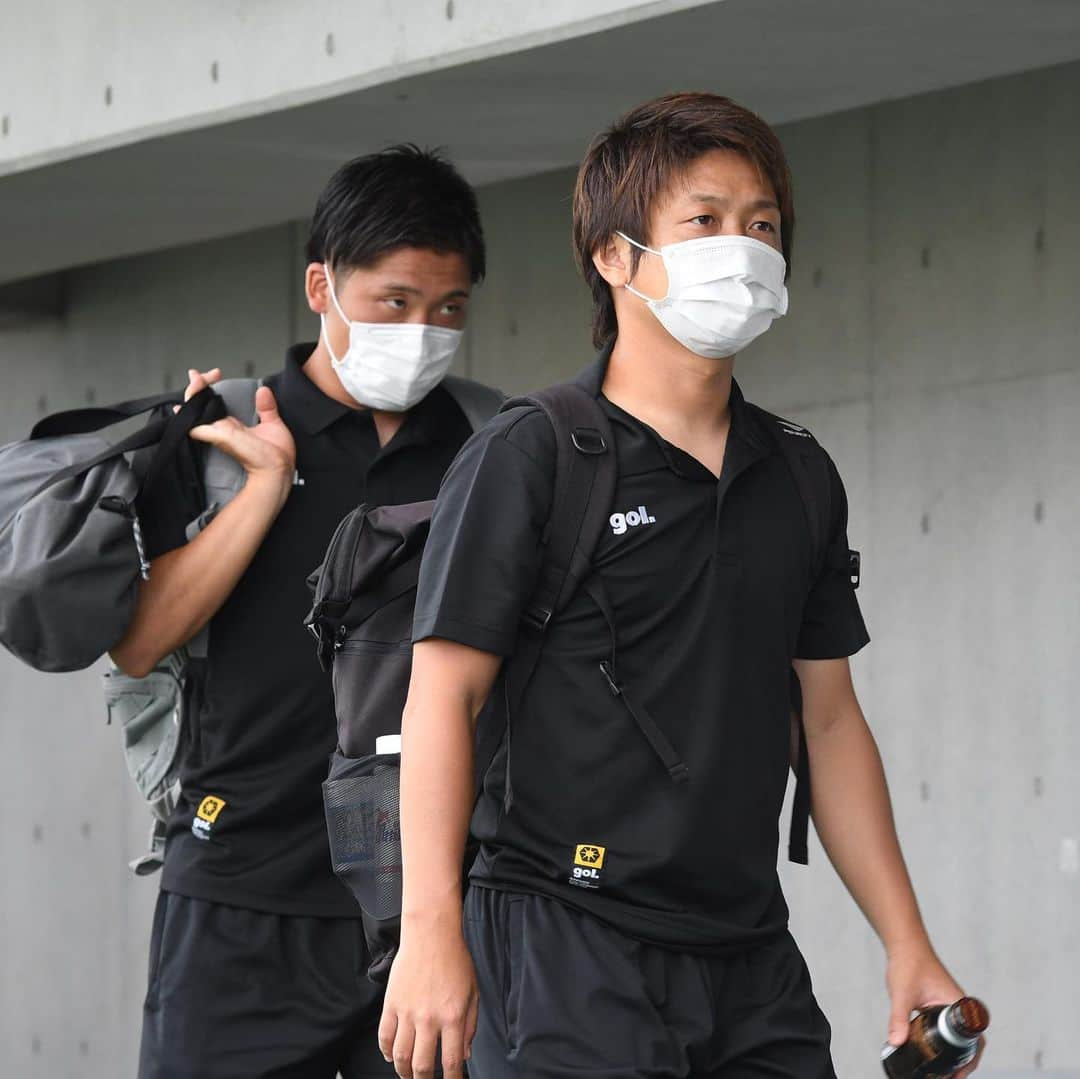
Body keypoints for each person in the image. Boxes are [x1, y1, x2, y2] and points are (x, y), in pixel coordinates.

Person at [379, 94, 984, 1078]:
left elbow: (827, 722)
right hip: (563, 931)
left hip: (749, 952)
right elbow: (443, 693)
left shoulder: (796, 471)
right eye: (703, 221)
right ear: (614, 257)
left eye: (763, 225)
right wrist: (429, 930)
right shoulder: (531, 455)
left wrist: (905, 941)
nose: (740, 248)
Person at [111, 144, 490, 1079]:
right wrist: (264, 486)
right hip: (238, 892)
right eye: (395, 302)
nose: (423, 330)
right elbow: (138, 641)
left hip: (429, 912)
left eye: (449, 309)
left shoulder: (496, 448)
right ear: (321, 284)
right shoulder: (216, 431)